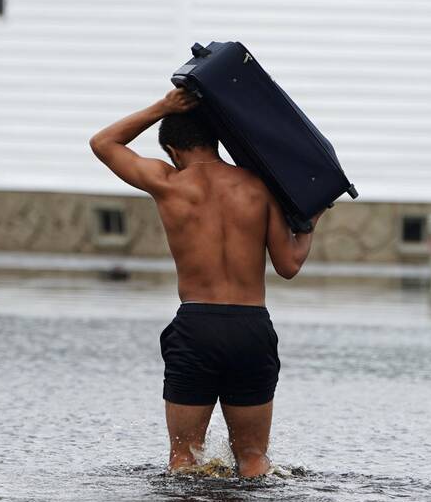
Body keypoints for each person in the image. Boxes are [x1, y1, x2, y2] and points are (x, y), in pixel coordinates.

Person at [89, 88, 320, 477]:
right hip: (250, 327)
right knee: (253, 459)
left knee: (184, 459)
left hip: (196, 327)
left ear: (173, 151)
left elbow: (103, 143)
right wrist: (311, 221)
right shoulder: (260, 186)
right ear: (215, 141)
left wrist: (164, 106)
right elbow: (289, 264)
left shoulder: (170, 183)